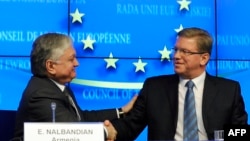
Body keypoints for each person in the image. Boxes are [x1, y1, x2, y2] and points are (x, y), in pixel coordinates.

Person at [106, 27, 248, 140]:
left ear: (203, 58)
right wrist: (108, 131)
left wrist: (222, 136)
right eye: (176, 50)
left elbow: (240, 132)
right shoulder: (154, 88)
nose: (177, 56)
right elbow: (130, 126)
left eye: (185, 51)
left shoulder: (228, 90)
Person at [11, 33, 137, 141]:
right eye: (71, 59)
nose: (77, 63)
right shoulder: (41, 95)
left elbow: (81, 118)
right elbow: (71, 131)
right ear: (51, 66)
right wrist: (104, 132)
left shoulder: (58, 88)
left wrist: (121, 111)